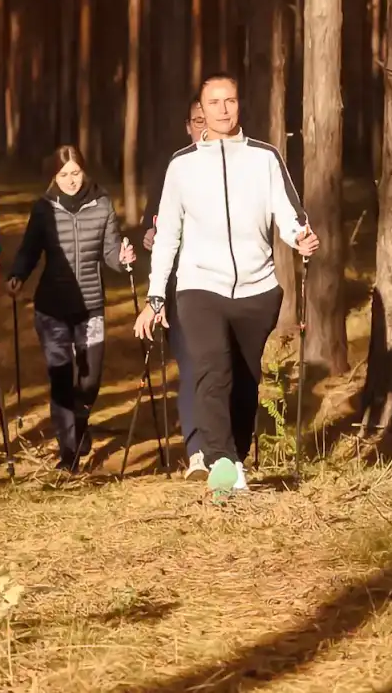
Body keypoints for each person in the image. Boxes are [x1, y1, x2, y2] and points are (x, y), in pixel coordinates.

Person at [133, 72, 320, 493]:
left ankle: (234, 453)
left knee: (245, 378)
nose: (222, 110)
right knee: (212, 368)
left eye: (229, 101)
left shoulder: (264, 157)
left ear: (239, 105)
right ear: (201, 110)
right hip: (199, 285)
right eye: (213, 103)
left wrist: (300, 237)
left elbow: (288, 211)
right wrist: (156, 295)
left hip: (257, 288)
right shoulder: (182, 165)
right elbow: (168, 235)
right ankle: (221, 462)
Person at [6, 145, 135, 471]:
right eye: (64, 174)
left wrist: (123, 258)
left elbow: (110, 253)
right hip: (51, 309)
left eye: (76, 172)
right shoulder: (44, 209)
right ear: (54, 176)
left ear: (85, 171)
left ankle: (79, 422)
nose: (71, 180)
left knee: (89, 382)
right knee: (61, 378)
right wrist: (18, 275)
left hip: (90, 307)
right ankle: (69, 455)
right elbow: (29, 250)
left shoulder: (102, 204)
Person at [141, 97, 207, 477]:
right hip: (179, 287)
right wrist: (149, 235)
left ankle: (224, 446)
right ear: (188, 125)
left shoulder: (237, 165)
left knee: (218, 368)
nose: (203, 126)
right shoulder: (175, 168)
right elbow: (154, 220)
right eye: (196, 119)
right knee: (192, 365)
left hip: (225, 285)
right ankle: (197, 450)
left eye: (207, 119)